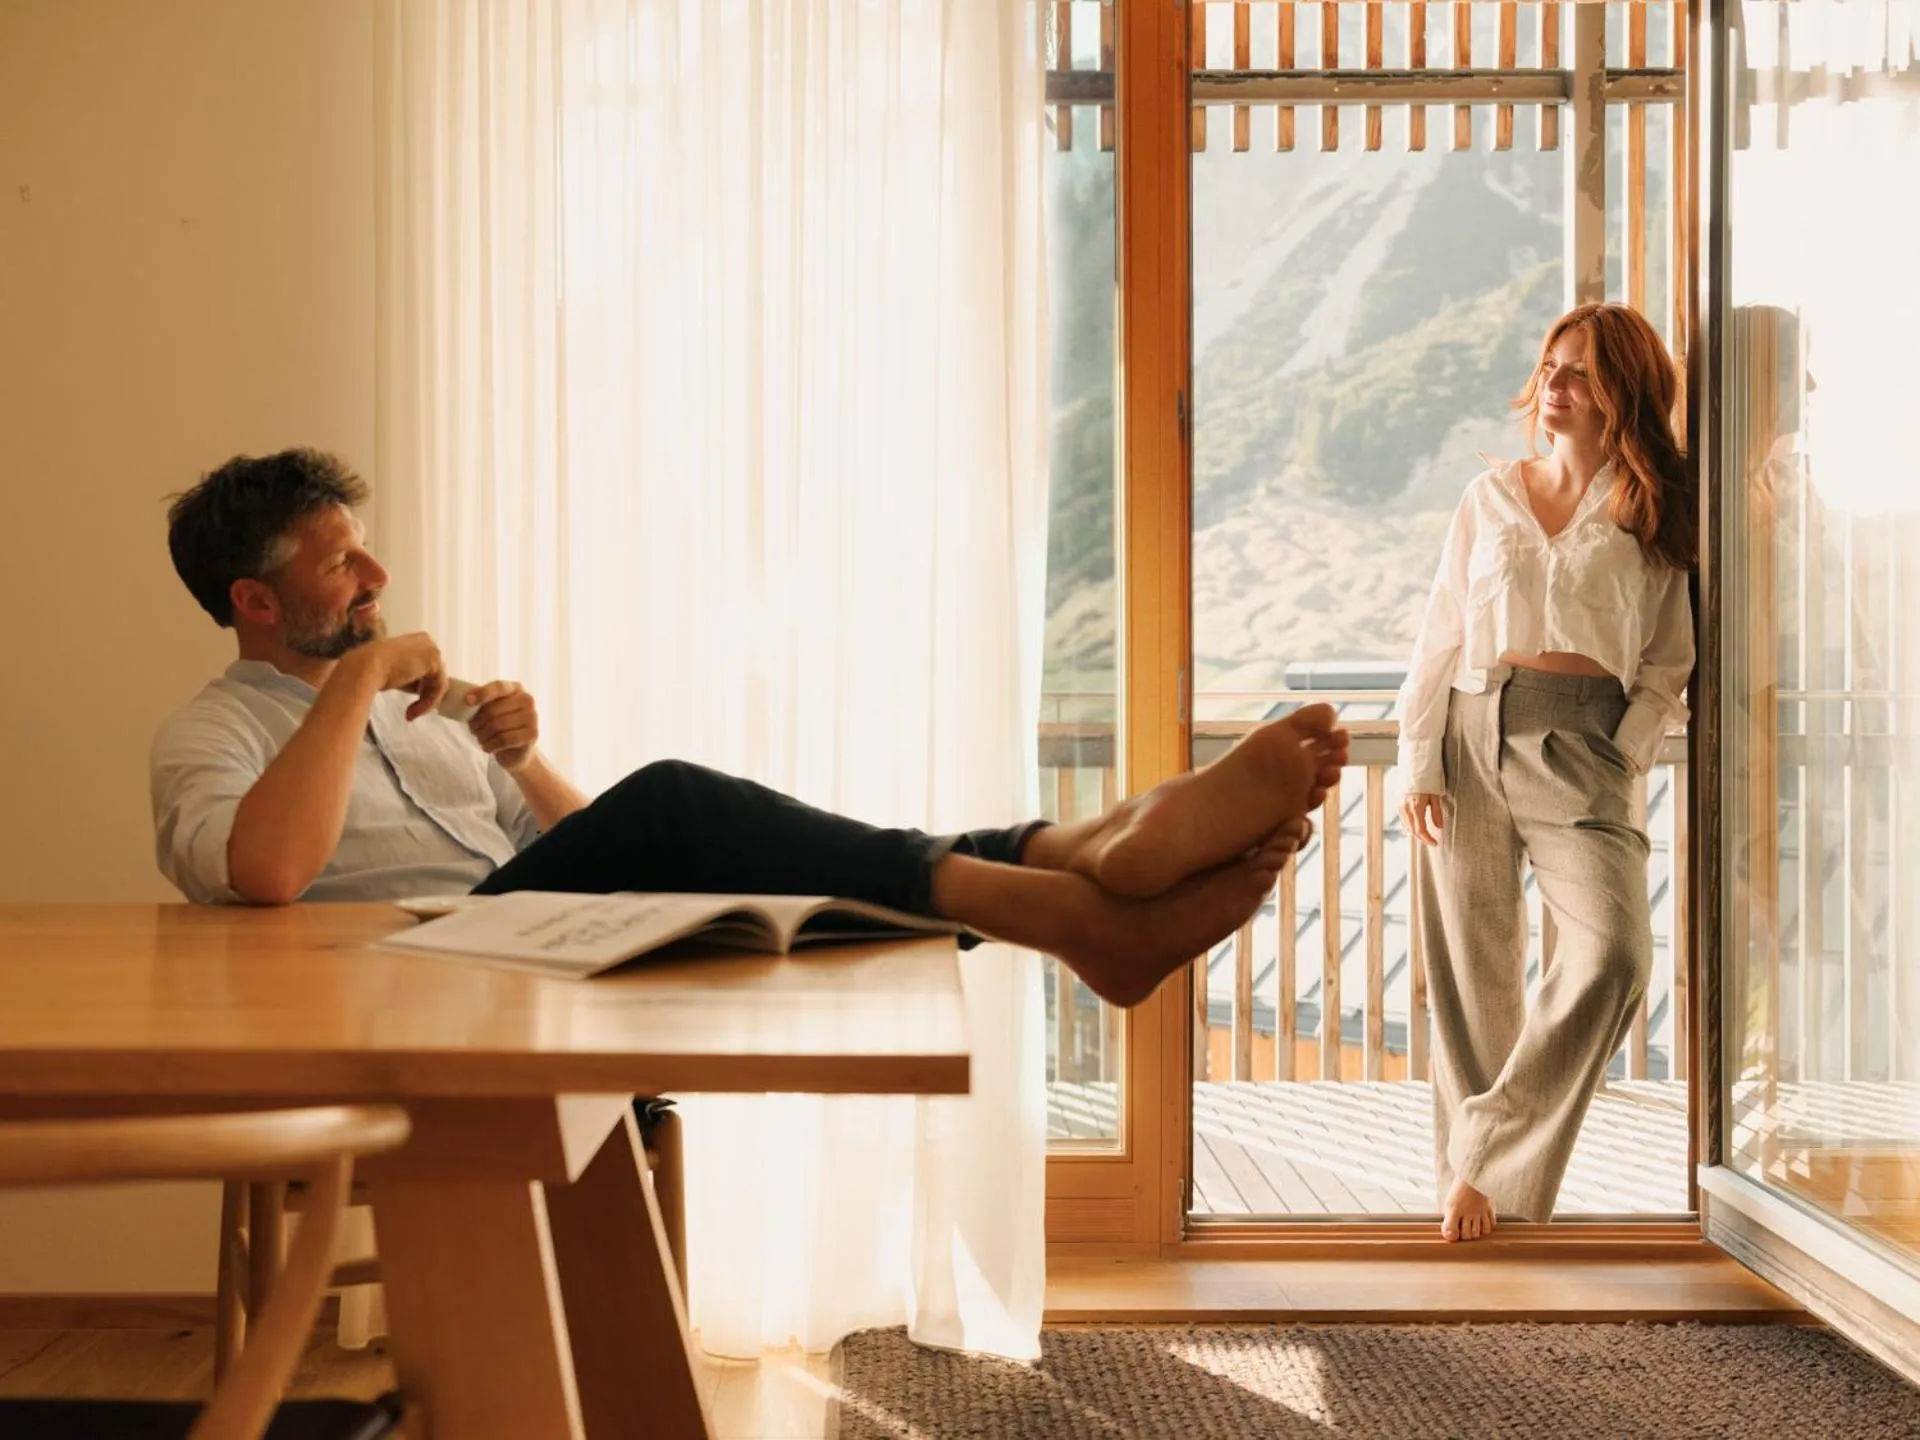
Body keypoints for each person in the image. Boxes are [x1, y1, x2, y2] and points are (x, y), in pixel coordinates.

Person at [152, 449, 1350, 1010]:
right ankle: (1063, 891)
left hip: (518, 955)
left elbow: (601, 846)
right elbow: (268, 875)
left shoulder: (431, 720)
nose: (375, 575)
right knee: (679, 797)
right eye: (339, 563)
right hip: (393, 990)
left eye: (365, 551)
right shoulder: (209, 737)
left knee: (724, 862)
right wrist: (362, 679)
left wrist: (518, 760)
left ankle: (1064, 869)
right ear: (255, 601)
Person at [1395, 303, 1696, 1241]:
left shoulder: (1653, 508)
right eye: (1551, 367)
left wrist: (1624, 750)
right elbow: (1441, 632)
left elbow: (1670, 659)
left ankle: (1484, 1149)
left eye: (1579, 372)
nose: (1554, 386)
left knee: (1614, 954)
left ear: (1621, 393)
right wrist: (1417, 758)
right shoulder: (1489, 497)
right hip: (1470, 727)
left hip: (1584, 742)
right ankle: (1476, 1188)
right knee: (1472, 970)